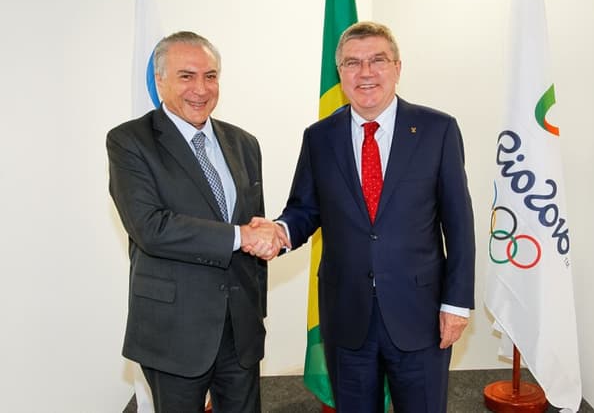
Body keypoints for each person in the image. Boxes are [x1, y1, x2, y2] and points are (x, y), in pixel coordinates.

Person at [251, 21, 475, 412]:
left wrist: (456, 303)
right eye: (353, 63)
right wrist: (279, 231)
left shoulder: (438, 130)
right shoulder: (319, 137)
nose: (366, 72)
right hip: (346, 314)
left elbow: (458, 223)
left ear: (398, 67)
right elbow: (305, 209)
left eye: (377, 60)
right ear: (340, 74)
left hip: (419, 314)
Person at [107, 31, 287, 413]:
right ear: (160, 81)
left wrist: (257, 311)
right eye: (187, 76)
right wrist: (241, 236)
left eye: (211, 76)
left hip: (240, 331)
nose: (201, 89)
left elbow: (254, 224)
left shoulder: (244, 143)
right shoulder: (130, 142)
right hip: (174, 330)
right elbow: (151, 228)